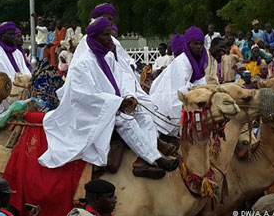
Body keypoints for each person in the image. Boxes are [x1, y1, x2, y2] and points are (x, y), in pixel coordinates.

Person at [40, 17, 177, 178]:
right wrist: (118, 103)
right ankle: (157, 159)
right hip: (90, 112)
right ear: (94, 37)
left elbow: (122, 80)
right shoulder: (82, 63)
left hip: (112, 106)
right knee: (125, 121)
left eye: (109, 35)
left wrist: (128, 97)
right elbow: (85, 95)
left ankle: (143, 160)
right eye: (105, 35)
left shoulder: (108, 57)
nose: (109, 39)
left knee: (144, 116)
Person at [150, 26, 208, 136]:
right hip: (166, 106)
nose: (199, 47)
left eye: (201, 44)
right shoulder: (181, 63)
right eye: (195, 44)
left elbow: (201, 83)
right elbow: (179, 92)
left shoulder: (197, 63)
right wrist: (198, 89)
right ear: (187, 45)